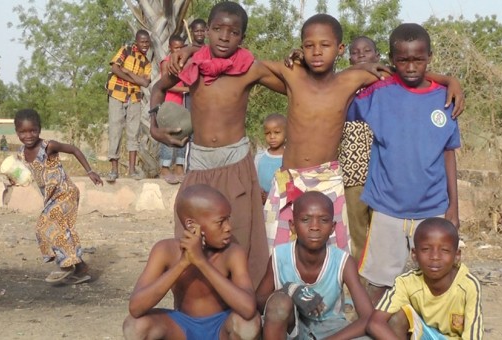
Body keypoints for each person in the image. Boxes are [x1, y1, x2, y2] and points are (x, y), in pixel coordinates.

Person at [262, 14, 464, 253]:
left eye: (324, 45)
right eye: (309, 46)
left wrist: (449, 80)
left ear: (339, 48)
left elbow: (405, 69)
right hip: (293, 179)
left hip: (333, 180)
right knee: (279, 250)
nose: (317, 51)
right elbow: (257, 68)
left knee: (332, 252)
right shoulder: (299, 76)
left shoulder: (355, 80)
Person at [149, 1, 287, 286]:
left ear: (242, 38)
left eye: (233, 32)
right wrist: (154, 126)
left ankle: (241, 304)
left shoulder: (250, 69)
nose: (224, 37)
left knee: (238, 233)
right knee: (191, 231)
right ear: (206, 31)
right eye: (218, 29)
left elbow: (293, 87)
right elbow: (159, 88)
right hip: (199, 161)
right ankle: (196, 302)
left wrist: (290, 62)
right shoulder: (190, 65)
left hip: (235, 162)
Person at [348, 23, 462, 304]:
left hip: (433, 209)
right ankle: (371, 329)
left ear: (429, 57)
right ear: (392, 59)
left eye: (418, 60)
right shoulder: (377, 93)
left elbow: (449, 154)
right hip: (388, 208)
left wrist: (454, 206)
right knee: (379, 284)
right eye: (403, 60)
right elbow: (338, 97)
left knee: (437, 282)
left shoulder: (446, 98)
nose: (411, 67)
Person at [122, 184, 260, 340]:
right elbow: (136, 307)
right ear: (191, 225)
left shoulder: (232, 252)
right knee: (134, 326)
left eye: (228, 219)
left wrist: (201, 261)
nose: (229, 227)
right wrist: (183, 263)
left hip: (221, 327)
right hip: (181, 328)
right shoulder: (165, 250)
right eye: (220, 222)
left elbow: (248, 309)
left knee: (249, 325)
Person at [256, 191, 373, 339]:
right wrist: (290, 290)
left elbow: (368, 317)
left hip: (332, 330)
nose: (314, 227)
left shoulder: (343, 261)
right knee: (279, 303)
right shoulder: (280, 257)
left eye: (323, 220)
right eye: (305, 220)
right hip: (292, 331)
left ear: (332, 227)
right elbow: (259, 302)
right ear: (293, 226)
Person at [13, 109, 103, 284]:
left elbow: (74, 149)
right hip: (51, 197)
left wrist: (90, 171)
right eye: (23, 132)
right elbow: (21, 173)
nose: (28, 135)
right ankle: (81, 268)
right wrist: (12, 180)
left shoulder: (49, 146)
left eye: (33, 130)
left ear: (39, 129)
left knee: (54, 224)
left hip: (65, 191)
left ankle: (67, 266)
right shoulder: (21, 153)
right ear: (17, 132)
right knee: (43, 228)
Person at [366, 217, 483, 339]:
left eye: (445, 250)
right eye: (426, 249)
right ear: (414, 254)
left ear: (457, 255)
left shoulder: (468, 285)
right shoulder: (406, 282)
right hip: (423, 335)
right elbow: (375, 323)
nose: (435, 257)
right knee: (395, 317)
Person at [338, 36, 379, 262]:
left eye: (367, 50)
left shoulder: (385, 86)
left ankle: (384, 286)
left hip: (382, 174)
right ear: (349, 58)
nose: (361, 55)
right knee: (358, 233)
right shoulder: (343, 86)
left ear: (377, 56)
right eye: (355, 52)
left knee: (382, 233)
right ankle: (361, 285)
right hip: (352, 174)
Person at [105, 29, 152, 183]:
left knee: (133, 132)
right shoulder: (126, 50)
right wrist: (135, 78)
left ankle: (131, 170)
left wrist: (127, 73)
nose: (145, 45)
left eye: (147, 42)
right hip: (117, 93)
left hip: (134, 97)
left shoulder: (146, 62)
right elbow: (114, 69)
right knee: (115, 130)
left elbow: (145, 82)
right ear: (136, 41)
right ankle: (113, 170)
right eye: (142, 42)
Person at [159, 35, 189, 185]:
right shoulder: (166, 63)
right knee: (168, 136)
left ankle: (179, 166)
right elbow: (165, 85)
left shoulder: (182, 63)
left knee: (181, 134)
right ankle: (164, 167)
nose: (178, 50)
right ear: (170, 48)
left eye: (181, 48)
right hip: (169, 104)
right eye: (175, 48)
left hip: (181, 105)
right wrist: (186, 88)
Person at [254, 113, 287, 204]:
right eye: (267, 133)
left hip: (282, 206)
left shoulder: (289, 158)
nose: (272, 137)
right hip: (262, 205)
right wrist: (259, 193)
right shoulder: (259, 158)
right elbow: (254, 181)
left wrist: (271, 196)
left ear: (286, 132)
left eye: (277, 132)